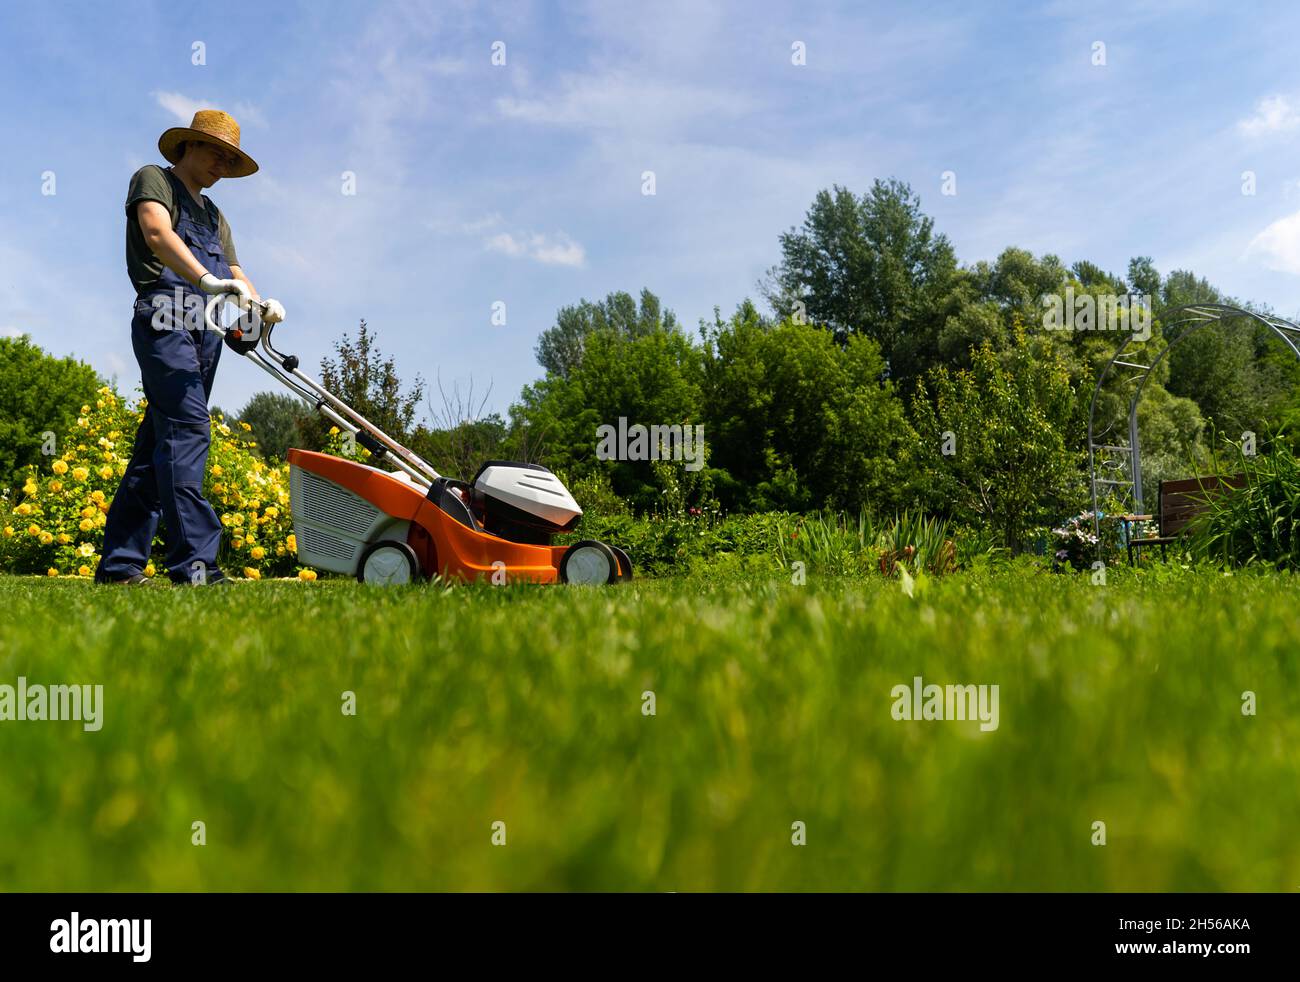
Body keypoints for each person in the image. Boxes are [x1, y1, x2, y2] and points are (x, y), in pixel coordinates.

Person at [95, 110, 285, 586]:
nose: (222, 164)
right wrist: (204, 278)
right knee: (187, 429)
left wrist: (261, 306)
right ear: (189, 147)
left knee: (156, 445)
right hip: (165, 314)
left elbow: (236, 273)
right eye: (216, 153)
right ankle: (195, 566)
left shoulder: (215, 216)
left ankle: (120, 567)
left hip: (205, 328)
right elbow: (157, 234)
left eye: (230, 159)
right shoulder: (153, 179)